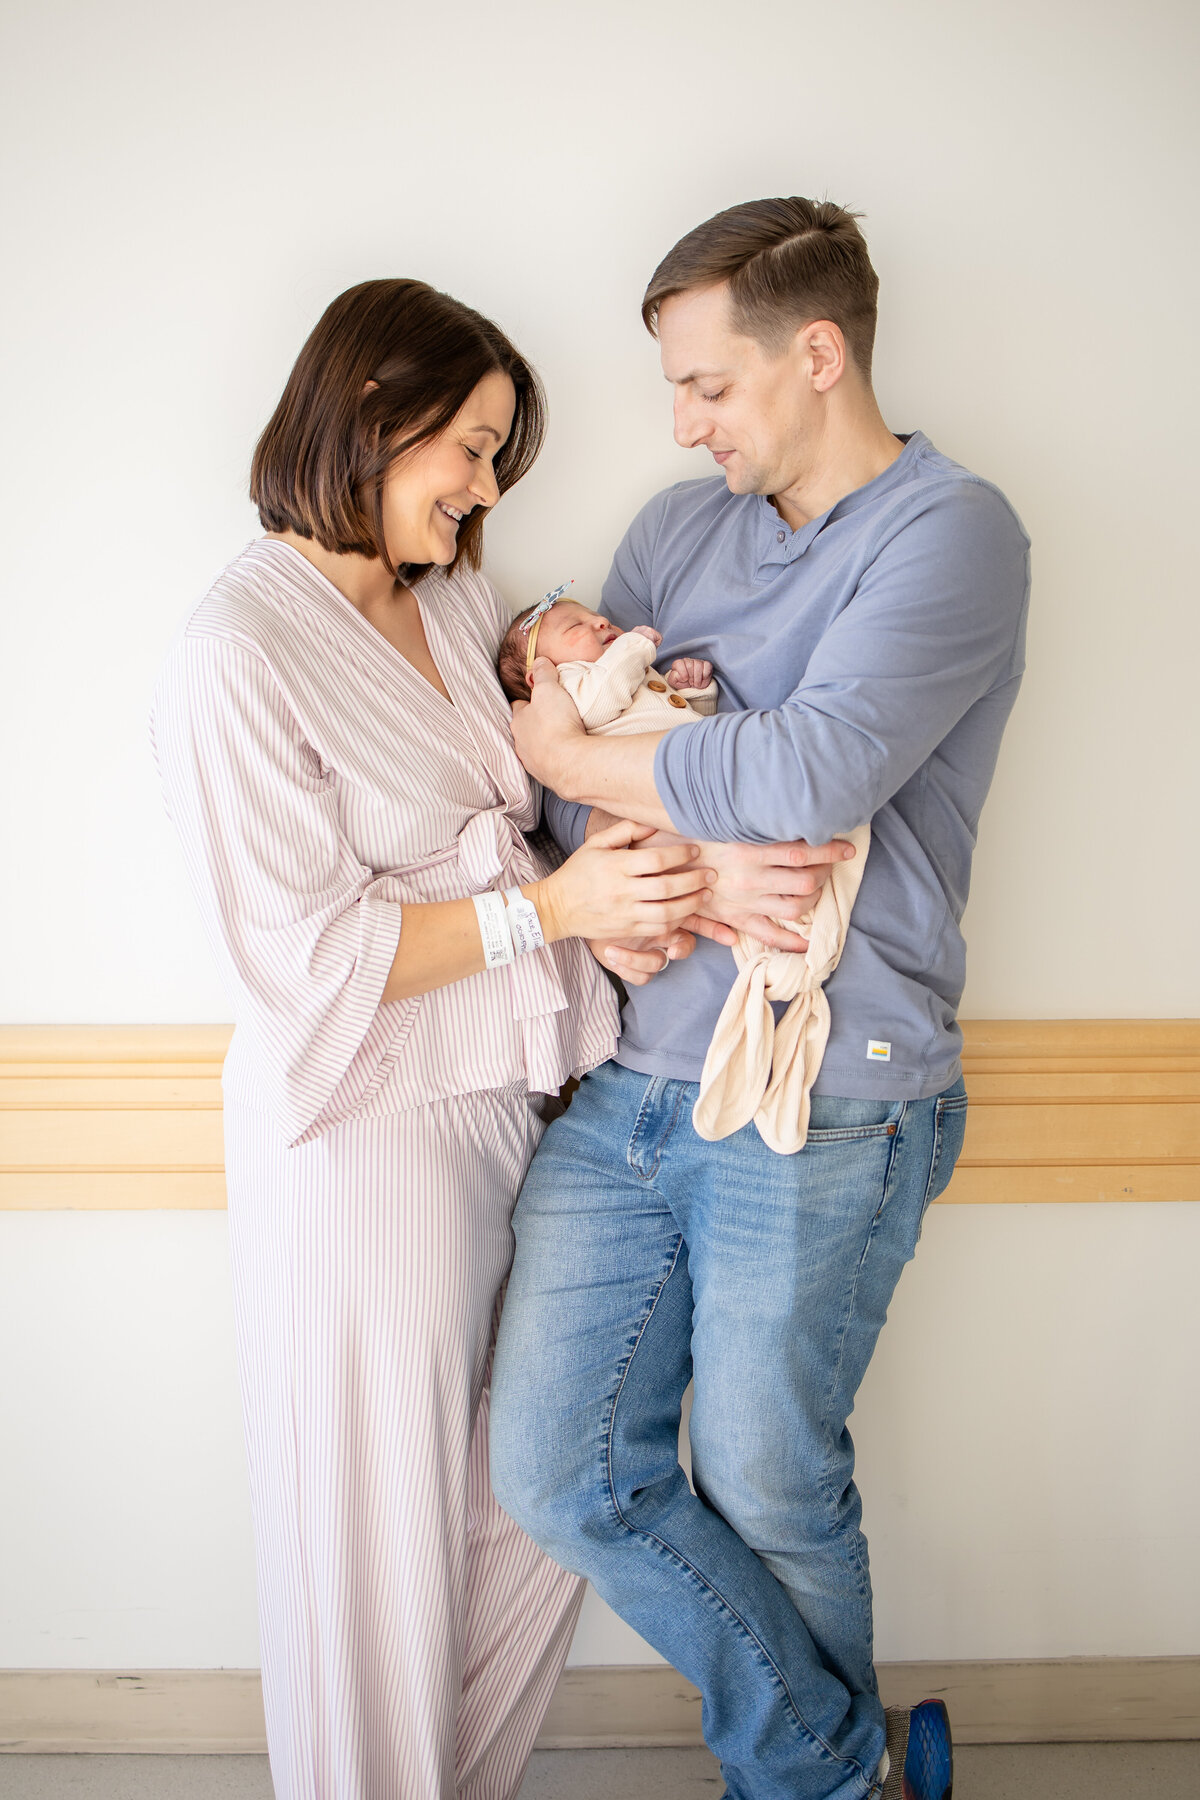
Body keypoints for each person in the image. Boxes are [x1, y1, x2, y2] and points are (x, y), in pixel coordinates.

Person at [149, 277, 721, 1800]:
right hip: (363, 1141)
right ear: (369, 414)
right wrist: (559, 910)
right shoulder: (236, 652)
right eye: (465, 448)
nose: (481, 487)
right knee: (368, 1542)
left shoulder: (459, 600)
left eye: (494, 456)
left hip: (507, 1111)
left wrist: (630, 824)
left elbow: (537, 806)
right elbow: (306, 960)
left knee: (533, 1492)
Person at [489, 197, 1031, 1800]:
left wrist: (577, 752)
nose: (682, 422)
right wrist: (664, 845)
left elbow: (813, 766)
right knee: (553, 1470)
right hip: (632, 1083)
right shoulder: (673, 534)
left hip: (833, 1080)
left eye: (708, 385)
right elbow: (589, 822)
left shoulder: (955, 532)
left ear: (818, 352)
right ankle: (842, 1763)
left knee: (766, 1474)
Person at [499, 592, 872, 1151]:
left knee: (817, 846)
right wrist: (632, 648)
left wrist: (692, 692)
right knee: (794, 856)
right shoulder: (575, 688)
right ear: (539, 671)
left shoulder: (625, 678)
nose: (600, 620)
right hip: (676, 814)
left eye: (595, 617)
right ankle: (793, 947)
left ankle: (804, 943)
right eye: (575, 624)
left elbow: (683, 723)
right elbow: (600, 705)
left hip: (698, 801)